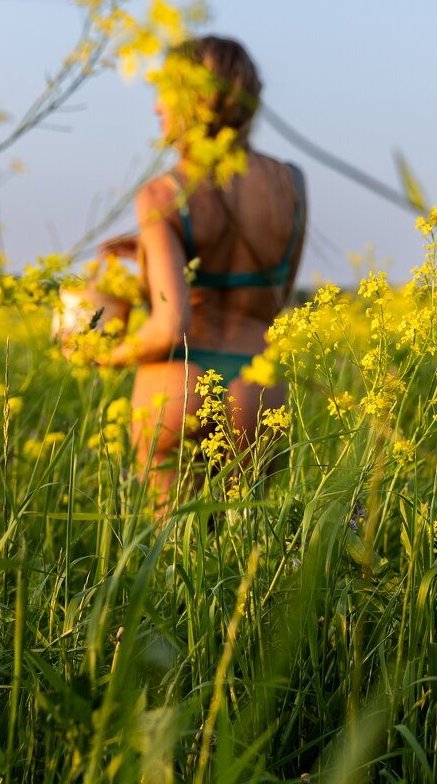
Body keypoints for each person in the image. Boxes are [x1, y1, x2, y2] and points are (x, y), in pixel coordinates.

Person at [98, 35, 307, 503]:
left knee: (172, 560)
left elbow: (172, 326)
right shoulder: (291, 183)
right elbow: (275, 300)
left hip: (178, 382)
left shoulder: (162, 194)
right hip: (259, 384)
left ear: (196, 99)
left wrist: (105, 356)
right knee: (247, 556)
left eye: (165, 95)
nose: (157, 110)